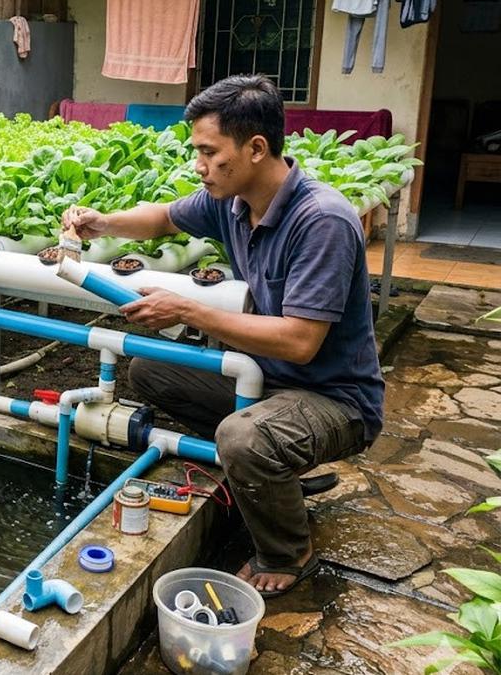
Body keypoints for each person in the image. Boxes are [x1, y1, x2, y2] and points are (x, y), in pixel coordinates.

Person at [62, 74, 383, 597]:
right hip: (265, 378)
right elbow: (163, 219)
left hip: (335, 399)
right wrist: (103, 223)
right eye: (197, 151)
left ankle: (288, 552)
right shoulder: (230, 201)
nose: (199, 165)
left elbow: (300, 342)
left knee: (243, 438)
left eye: (209, 152)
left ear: (255, 148)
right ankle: (277, 475)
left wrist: (189, 310)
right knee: (151, 370)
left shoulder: (322, 221)